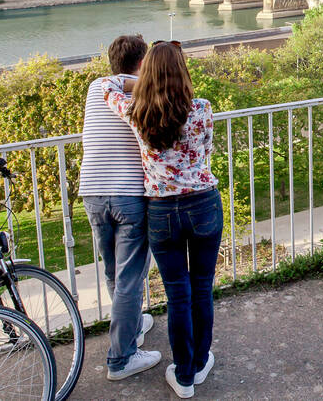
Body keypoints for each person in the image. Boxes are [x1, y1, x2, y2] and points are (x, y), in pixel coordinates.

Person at [103, 42, 221, 398]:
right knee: (202, 288)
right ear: (183, 72)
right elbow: (207, 150)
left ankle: (183, 377)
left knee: (177, 296)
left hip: (161, 211)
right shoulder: (201, 109)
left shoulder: (136, 111)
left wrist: (132, 84)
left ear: (148, 74)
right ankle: (200, 363)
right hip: (203, 205)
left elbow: (107, 88)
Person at [81, 35, 159, 381]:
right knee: (130, 278)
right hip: (128, 195)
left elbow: (115, 82)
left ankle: (132, 326)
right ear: (142, 64)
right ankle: (121, 358)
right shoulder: (146, 94)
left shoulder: (97, 88)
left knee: (114, 272)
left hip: (92, 193)